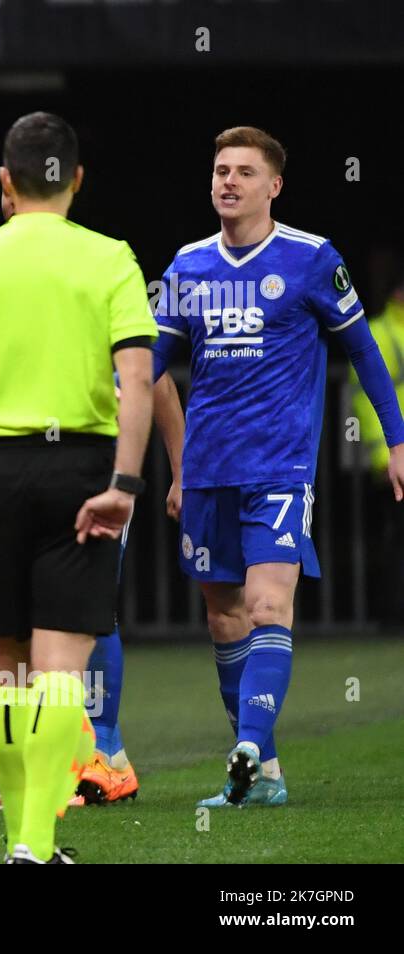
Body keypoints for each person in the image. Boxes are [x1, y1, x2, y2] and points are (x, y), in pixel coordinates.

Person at [0, 112, 157, 863]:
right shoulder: (111, 257)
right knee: (61, 671)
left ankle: (18, 838)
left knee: (9, 665)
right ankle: (34, 844)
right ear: (76, 178)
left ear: (4, 181)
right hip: (79, 471)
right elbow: (140, 379)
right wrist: (124, 482)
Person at [150, 127, 404, 808]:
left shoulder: (311, 259)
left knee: (268, 606)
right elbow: (145, 364)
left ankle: (247, 746)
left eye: (243, 171)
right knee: (224, 619)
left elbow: (366, 353)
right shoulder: (186, 265)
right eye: (220, 170)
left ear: (274, 186)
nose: (227, 181)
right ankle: (263, 772)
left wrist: (399, 437)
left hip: (280, 470)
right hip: (206, 472)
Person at [349, 276, 404, 626]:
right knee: (395, 541)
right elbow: (367, 400)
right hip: (395, 457)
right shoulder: (382, 332)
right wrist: (386, 452)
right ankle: (393, 615)